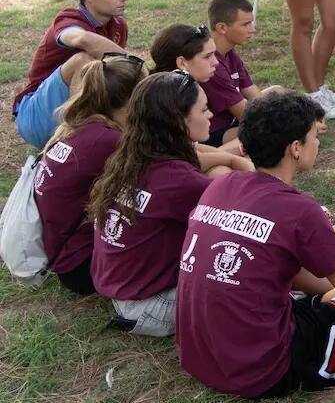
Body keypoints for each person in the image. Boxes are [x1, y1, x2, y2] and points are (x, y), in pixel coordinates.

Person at [176, 92, 335, 399]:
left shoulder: (220, 186)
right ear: (295, 148)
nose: (318, 143)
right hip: (261, 369)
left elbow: (268, 257)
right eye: (313, 136)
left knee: (317, 293)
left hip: (198, 356)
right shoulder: (298, 210)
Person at [89, 71, 249, 337]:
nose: (211, 115)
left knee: (219, 174)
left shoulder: (134, 155)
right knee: (253, 268)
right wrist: (243, 166)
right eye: (205, 109)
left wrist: (231, 160)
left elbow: (196, 158)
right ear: (179, 120)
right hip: (152, 305)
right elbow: (254, 216)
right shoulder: (178, 181)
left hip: (120, 291)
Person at [33, 54, 147, 295]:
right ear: (133, 101)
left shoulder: (82, 126)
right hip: (84, 267)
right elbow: (170, 169)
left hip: (66, 259)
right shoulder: (108, 140)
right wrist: (230, 157)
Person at [13, 0, 129, 150]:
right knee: (84, 61)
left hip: (72, 109)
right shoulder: (68, 20)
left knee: (116, 76)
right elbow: (81, 38)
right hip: (38, 116)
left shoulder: (118, 26)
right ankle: (77, 142)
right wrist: (135, 64)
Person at [201, 0, 288, 147]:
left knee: (279, 93)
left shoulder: (229, 52)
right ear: (222, 27)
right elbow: (247, 115)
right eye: (245, 24)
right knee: (270, 130)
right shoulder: (212, 64)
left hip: (236, 120)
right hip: (215, 133)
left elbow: (254, 95)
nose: (252, 30)